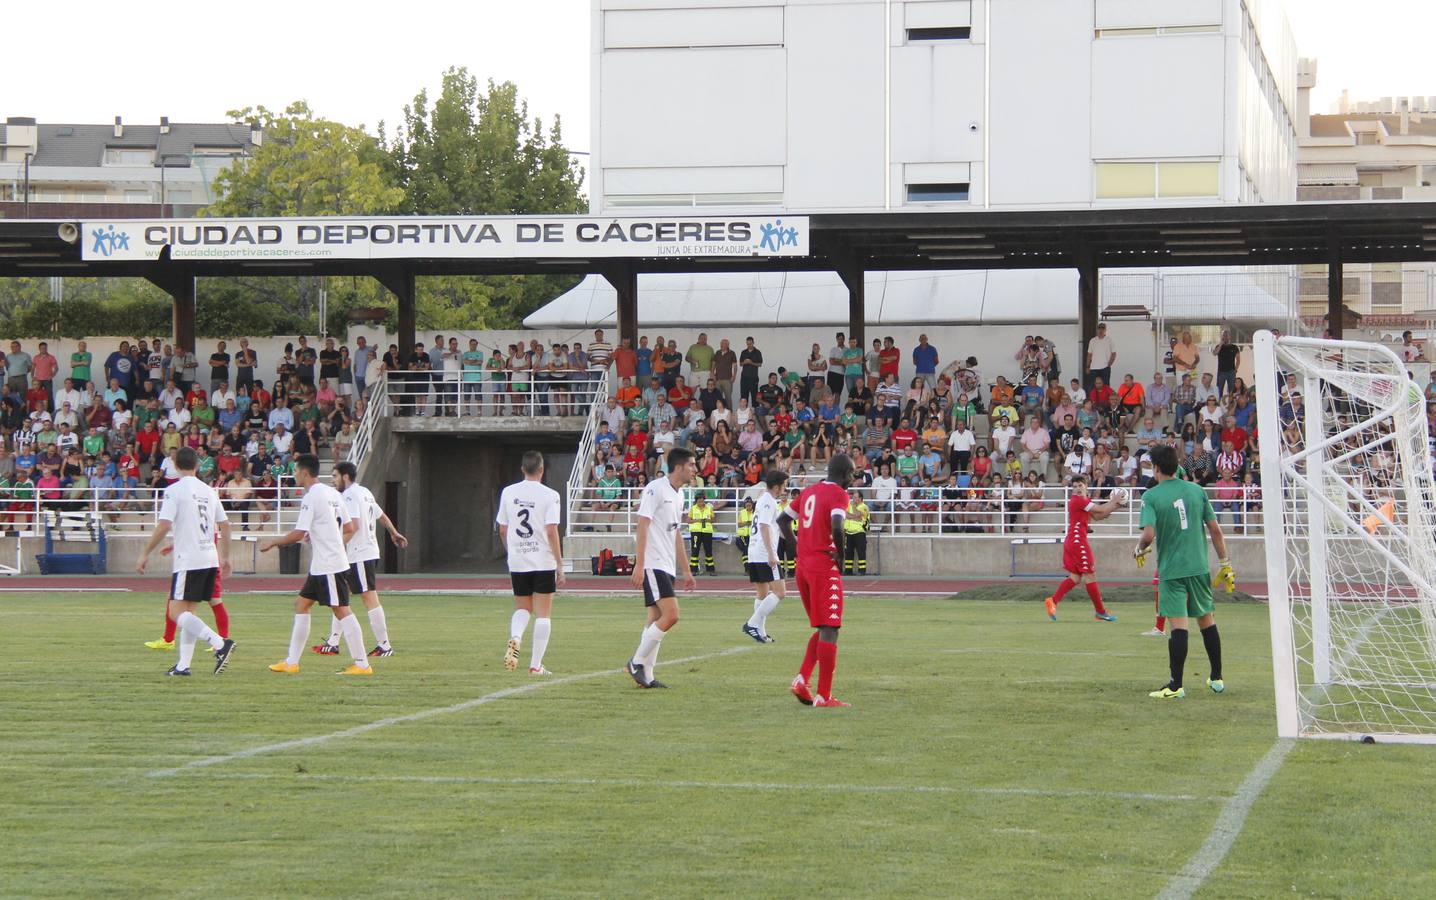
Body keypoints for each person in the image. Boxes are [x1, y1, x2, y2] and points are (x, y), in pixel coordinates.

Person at [1134, 444, 1233, 699]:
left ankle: (1176, 685)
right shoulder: (1197, 491)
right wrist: (1225, 564)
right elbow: (1216, 531)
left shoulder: (1151, 497)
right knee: (1206, 620)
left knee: (1179, 625)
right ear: (1176, 466)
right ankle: (1217, 677)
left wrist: (1139, 549)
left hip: (1172, 570)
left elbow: (1148, 534)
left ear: (1155, 468)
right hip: (1199, 567)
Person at [261, 454, 369, 676]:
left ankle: (362, 664)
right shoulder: (333, 494)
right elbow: (348, 528)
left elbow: (299, 533)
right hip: (323, 564)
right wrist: (328, 539)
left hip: (329, 565)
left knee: (342, 611)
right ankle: (292, 662)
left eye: (297, 471)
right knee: (302, 605)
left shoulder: (312, 496)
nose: (295, 475)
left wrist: (274, 541)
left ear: (305, 473)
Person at [135, 446, 236, 676]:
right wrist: (226, 556)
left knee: (175, 611)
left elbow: (164, 525)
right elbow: (226, 524)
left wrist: (145, 553)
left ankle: (220, 644)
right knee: (189, 611)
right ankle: (183, 665)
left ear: (175, 465)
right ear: (197, 465)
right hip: (209, 558)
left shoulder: (174, 490)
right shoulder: (209, 490)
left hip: (189, 560)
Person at [778, 453, 855, 708]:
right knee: (831, 628)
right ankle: (823, 696)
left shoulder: (810, 491)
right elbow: (836, 526)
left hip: (803, 566)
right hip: (823, 566)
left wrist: (798, 547)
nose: (852, 480)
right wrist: (842, 557)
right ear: (844, 474)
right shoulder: (839, 495)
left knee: (824, 627)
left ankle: (802, 679)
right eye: (852, 474)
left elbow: (783, 520)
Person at [310, 462, 409, 659]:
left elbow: (353, 526)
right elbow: (381, 515)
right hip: (361, 553)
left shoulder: (349, 495)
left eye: (335, 476)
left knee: (369, 597)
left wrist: (334, 548)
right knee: (340, 596)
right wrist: (394, 532)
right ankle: (333, 642)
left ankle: (384, 645)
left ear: (345, 477)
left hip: (360, 554)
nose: (333, 480)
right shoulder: (365, 492)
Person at [625, 447, 699, 689]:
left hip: (666, 564)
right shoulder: (655, 488)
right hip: (653, 563)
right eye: (691, 465)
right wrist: (639, 564)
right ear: (678, 467)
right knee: (672, 615)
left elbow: (676, 532)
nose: (695, 469)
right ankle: (636, 662)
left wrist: (686, 570)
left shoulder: (680, 495)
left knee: (655, 618)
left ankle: (646, 675)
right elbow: (642, 525)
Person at [492, 451, 565, 675]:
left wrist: (511, 551)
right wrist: (560, 565)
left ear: (522, 469)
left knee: (523, 607)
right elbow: (551, 530)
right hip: (543, 560)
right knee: (543, 614)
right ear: (542, 470)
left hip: (519, 560)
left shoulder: (508, 492)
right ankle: (535, 665)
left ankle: (516, 637)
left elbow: (503, 529)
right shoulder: (550, 495)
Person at [1042, 475, 1123, 623]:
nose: (1077, 489)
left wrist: (1117, 505)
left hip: (1073, 541)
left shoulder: (1084, 502)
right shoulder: (1078, 500)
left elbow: (1100, 516)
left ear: (1086, 486)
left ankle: (1053, 601)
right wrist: (1115, 500)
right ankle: (1100, 612)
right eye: (1074, 487)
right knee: (1090, 575)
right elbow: (1101, 508)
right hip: (1078, 541)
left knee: (1075, 577)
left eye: (1080, 485)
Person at [742, 469, 788, 643]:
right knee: (780, 592)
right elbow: (764, 526)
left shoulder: (763, 499)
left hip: (754, 551)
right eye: (784, 485)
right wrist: (771, 552)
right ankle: (752, 624)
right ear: (776, 487)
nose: (785, 488)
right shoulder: (769, 501)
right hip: (763, 552)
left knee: (762, 593)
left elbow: (773, 527)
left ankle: (760, 632)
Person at [687, 491, 716, 576]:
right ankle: (693, 570)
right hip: (696, 532)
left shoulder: (709, 508)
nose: (701, 502)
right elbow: (688, 521)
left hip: (707, 531)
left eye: (702, 500)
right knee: (695, 551)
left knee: (708, 551)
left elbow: (714, 520)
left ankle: (711, 570)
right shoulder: (693, 508)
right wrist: (698, 520)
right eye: (699, 501)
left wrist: (707, 520)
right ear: (696, 501)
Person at [843, 489, 870, 575]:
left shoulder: (864, 506)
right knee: (848, 553)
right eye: (853, 497)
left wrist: (852, 513)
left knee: (861, 552)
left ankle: (862, 570)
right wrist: (853, 516)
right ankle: (848, 570)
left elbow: (858, 515)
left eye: (855, 497)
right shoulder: (849, 505)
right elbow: (846, 515)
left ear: (860, 498)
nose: (853, 499)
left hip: (859, 532)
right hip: (849, 533)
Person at [1085, 322, 1115, 391]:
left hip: (1105, 367)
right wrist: (1087, 366)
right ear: (1097, 330)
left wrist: (1109, 363)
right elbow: (1089, 354)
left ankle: (1106, 401)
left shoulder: (1109, 340)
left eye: (1102, 328)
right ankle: (1094, 401)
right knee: (1093, 385)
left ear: (1105, 330)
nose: (1100, 330)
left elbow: (1114, 353)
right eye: (1099, 328)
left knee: (1106, 385)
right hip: (1093, 368)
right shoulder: (1092, 340)